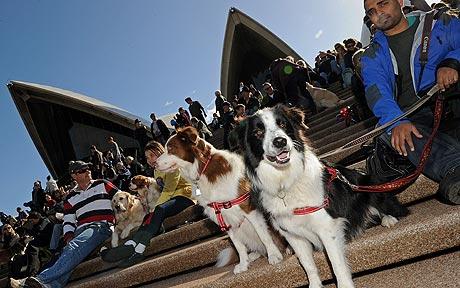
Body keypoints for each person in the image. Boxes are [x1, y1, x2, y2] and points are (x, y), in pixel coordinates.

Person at [361, 0, 460, 204]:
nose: (378, 12)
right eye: (371, 11)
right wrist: (396, 121)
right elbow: (377, 92)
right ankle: (455, 165)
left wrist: (452, 61)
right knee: (388, 129)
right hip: (412, 117)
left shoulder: (438, 21)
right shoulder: (371, 55)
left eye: (383, 3)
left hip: (451, 100)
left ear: (399, 1)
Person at [10, 160, 117, 288]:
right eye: (82, 170)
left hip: (101, 225)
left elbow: (123, 198)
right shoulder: (70, 197)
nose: (87, 171)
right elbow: (69, 220)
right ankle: (48, 286)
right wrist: (68, 236)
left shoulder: (103, 184)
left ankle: (39, 279)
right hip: (80, 230)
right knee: (68, 251)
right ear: (74, 176)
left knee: (72, 248)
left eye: (87, 168)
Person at [101, 141, 195, 268]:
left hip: (185, 196)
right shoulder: (157, 170)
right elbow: (162, 192)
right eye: (147, 157)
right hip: (169, 200)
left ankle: (138, 249)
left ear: (160, 152)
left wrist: (154, 209)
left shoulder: (172, 165)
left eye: (152, 155)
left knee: (159, 210)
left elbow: (168, 190)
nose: (149, 159)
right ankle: (131, 245)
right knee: (148, 216)